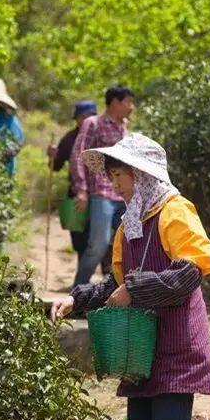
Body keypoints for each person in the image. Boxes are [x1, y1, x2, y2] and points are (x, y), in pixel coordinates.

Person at [52, 133, 210, 420]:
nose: (113, 183)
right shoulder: (131, 223)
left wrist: (136, 289)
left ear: (140, 174)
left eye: (117, 174)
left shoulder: (174, 212)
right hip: (142, 349)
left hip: (178, 346)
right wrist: (78, 298)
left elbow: (190, 273)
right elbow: (115, 284)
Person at [70, 84, 135, 285]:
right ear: (116, 102)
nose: (132, 107)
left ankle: (126, 293)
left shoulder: (123, 128)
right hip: (102, 194)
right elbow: (77, 155)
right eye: (128, 102)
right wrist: (81, 188)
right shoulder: (93, 123)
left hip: (123, 196)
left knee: (131, 244)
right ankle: (77, 293)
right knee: (97, 246)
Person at [47, 100, 98, 265]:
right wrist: (52, 156)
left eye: (90, 116)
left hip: (101, 194)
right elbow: (55, 167)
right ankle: (82, 280)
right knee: (80, 239)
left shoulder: (102, 136)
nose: (86, 120)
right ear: (76, 119)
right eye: (82, 117)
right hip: (77, 194)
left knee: (105, 240)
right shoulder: (69, 139)